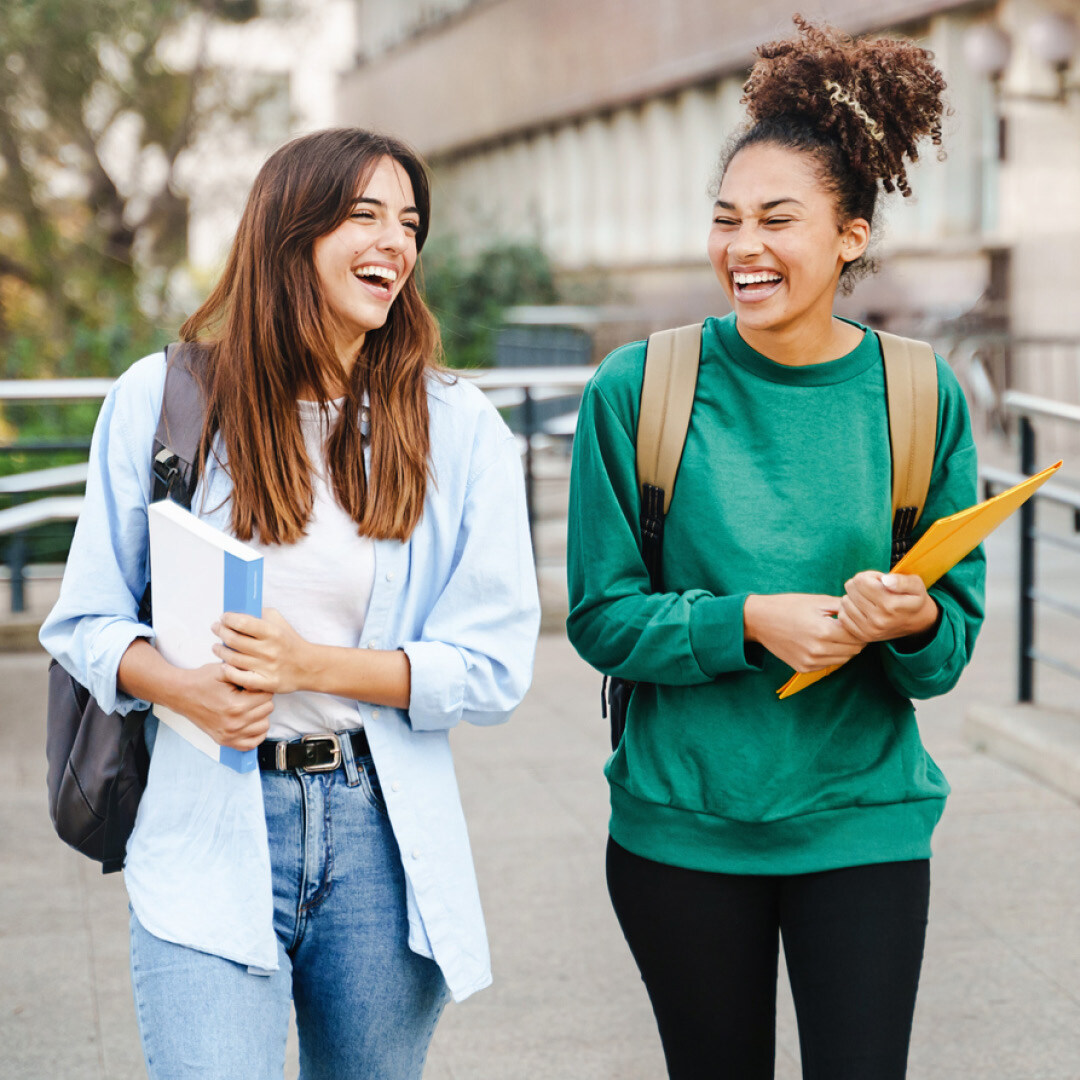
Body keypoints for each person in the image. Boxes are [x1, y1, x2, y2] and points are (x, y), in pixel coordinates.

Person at [41, 128, 540, 1080]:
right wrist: (184, 689)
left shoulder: (460, 426)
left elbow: (494, 666)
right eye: (364, 216)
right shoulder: (164, 399)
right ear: (287, 233)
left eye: (410, 222)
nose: (395, 242)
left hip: (379, 839)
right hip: (205, 823)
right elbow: (85, 623)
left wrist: (311, 667)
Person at [566, 17, 984, 1080]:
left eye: (777, 220)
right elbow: (601, 618)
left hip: (864, 825)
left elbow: (946, 654)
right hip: (681, 830)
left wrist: (914, 619)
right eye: (726, 220)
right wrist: (747, 621)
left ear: (850, 236)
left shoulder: (917, 394)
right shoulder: (638, 390)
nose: (742, 247)